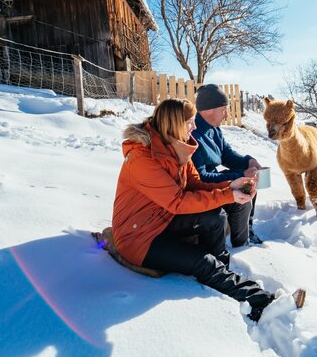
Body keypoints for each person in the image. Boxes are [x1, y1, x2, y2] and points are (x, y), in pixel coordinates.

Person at [111, 98, 277, 321]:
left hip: (164, 218)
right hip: (139, 237)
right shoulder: (142, 158)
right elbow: (177, 202)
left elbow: (196, 185)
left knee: (215, 217)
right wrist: (227, 195)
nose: (195, 126)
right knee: (202, 261)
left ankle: (221, 275)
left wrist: (231, 185)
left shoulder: (177, 146)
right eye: (190, 122)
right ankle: (260, 300)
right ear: (175, 123)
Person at [191, 84, 264, 246]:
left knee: (250, 182)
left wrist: (248, 161)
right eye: (224, 109)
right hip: (201, 187)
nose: (227, 115)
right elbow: (200, 177)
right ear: (209, 110)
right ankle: (241, 243)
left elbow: (226, 154)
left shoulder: (214, 129)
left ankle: (247, 228)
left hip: (213, 178)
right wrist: (240, 177)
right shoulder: (193, 134)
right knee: (243, 187)